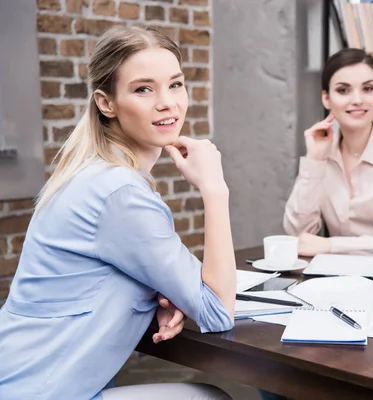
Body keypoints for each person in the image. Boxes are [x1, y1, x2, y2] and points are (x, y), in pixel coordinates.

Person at [0, 26, 235, 400]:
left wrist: (165, 290)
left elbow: (106, 273)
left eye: (175, 84)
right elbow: (218, 310)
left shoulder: (97, 175)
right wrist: (215, 190)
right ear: (106, 103)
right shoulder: (120, 193)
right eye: (144, 89)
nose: (167, 103)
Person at [283, 48, 373, 256]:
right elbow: (298, 234)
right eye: (343, 90)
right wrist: (314, 160)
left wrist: (330, 246)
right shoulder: (323, 152)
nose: (357, 100)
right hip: (330, 278)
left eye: (368, 89)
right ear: (326, 99)